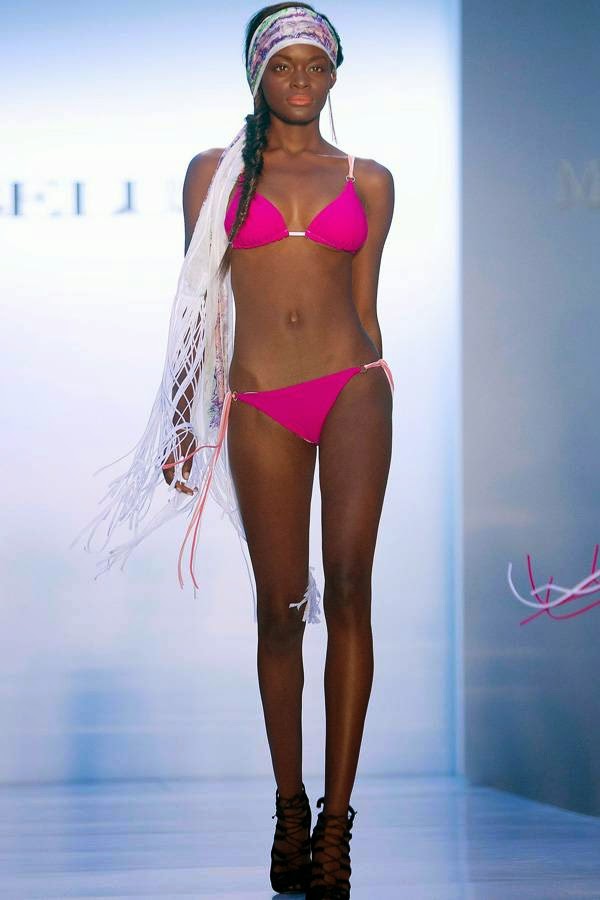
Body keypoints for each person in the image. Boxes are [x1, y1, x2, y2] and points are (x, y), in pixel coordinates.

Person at [72, 4, 394, 898]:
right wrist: (183, 415)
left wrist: (372, 377)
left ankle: (337, 824)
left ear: (335, 75)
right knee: (281, 608)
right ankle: (290, 807)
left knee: (354, 586)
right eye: (283, 67)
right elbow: (194, 301)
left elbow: (366, 306)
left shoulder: (369, 181)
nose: (300, 81)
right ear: (257, 75)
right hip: (258, 400)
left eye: (315, 67)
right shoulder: (215, 175)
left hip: (354, 387)